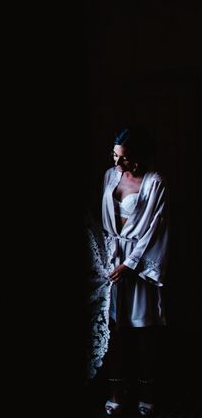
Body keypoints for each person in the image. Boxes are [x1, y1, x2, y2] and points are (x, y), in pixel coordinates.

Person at [97, 127, 169, 417]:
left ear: (138, 156)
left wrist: (131, 265)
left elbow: (156, 228)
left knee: (143, 331)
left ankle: (147, 389)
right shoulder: (110, 175)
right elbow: (104, 220)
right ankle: (116, 389)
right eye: (115, 156)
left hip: (139, 264)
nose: (117, 164)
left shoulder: (155, 183)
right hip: (111, 261)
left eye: (124, 158)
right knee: (113, 329)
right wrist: (109, 261)